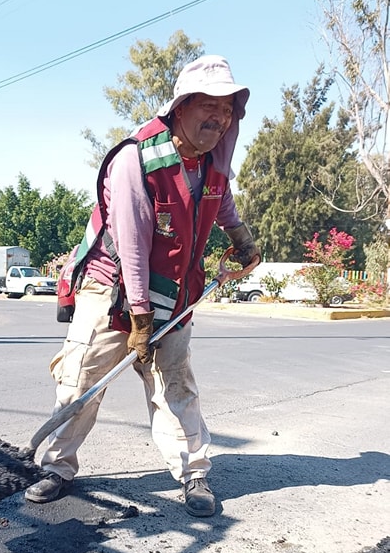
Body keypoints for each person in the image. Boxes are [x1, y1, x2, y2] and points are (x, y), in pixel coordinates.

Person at [25, 54, 260, 516]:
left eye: (228, 108)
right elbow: (132, 245)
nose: (219, 117)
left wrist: (243, 239)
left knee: (176, 385)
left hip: (175, 295)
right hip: (113, 290)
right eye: (208, 105)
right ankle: (56, 467)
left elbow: (222, 204)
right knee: (82, 381)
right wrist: (138, 319)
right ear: (181, 107)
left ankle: (194, 475)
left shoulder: (210, 166)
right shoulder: (136, 160)